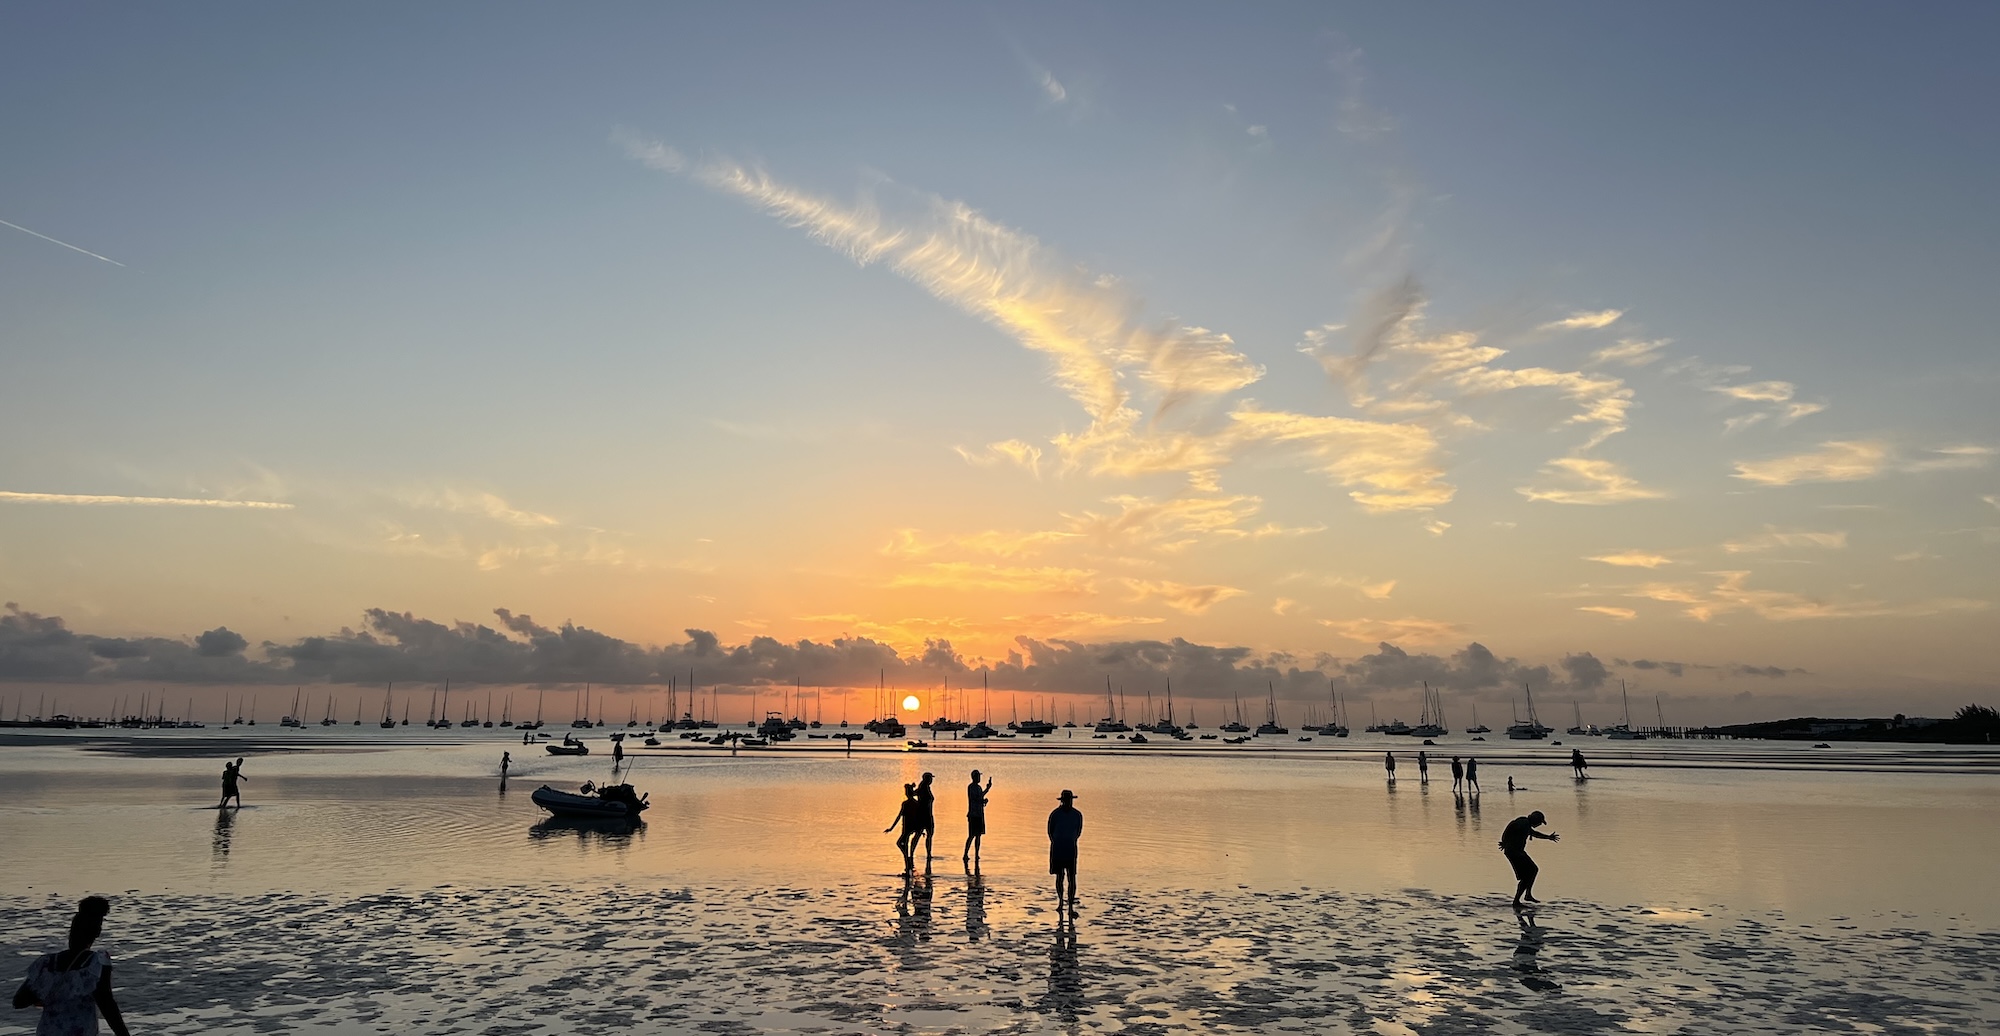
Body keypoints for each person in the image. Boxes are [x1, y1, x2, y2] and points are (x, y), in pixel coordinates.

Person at [12, 895, 132, 1036]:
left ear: (71, 930)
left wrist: (50, 994)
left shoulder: (46, 964)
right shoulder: (96, 963)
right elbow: (107, 1004)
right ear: (97, 932)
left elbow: (19, 1001)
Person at [1499, 810, 1560, 907]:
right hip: (1514, 852)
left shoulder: (1526, 824)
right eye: (1540, 822)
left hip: (1517, 852)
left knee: (1533, 870)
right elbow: (1511, 827)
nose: (1539, 824)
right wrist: (1505, 841)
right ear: (1535, 820)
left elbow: (1534, 834)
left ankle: (1527, 895)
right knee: (1527, 874)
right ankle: (1518, 901)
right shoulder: (1523, 823)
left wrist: (1548, 837)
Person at [1047, 790, 1084, 910]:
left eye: (1070, 800)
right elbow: (1050, 831)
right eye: (1067, 800)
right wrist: (1057, 841)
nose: (1069, 802)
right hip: (1058, 848)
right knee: (1059, 876)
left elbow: (1078, 831)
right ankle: (1061, 902)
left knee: (1072, 877)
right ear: (1062, 801)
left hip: (1071, 848)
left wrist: (1071, 840)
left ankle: (1071, 904)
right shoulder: (1055, 814)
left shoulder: (1077, 815)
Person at [884, 783, 920, 872]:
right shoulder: (916, 803)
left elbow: (899, 816)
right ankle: (908, 864)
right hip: (911, 827)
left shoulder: (906, 804)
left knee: (900, 843)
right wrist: (891, 828)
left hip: (907, 828)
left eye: (907, 792)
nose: (906, 793)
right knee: (903, 844)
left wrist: (891, 828)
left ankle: (908, 862)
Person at [963, 770, 993, 865]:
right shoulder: (971, 787)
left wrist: (985, 795)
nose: (979, 778)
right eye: (978, 776)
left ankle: (976, 854)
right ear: (974, 777)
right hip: (973, 815)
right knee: (971, 835)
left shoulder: (979, 787)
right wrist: (984, 794)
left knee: (978, 836)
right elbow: (975, 798)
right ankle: (965, 854)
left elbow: (979, 798)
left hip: (979, 814)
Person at [913, 773, 937, 865]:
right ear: (927, 779)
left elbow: (914, 793)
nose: (932, 780)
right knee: (920, 834)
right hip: (924, 816)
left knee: (928, 835)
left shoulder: (925, 787)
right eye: (930, 778)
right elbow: (913, 794)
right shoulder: (923, 787)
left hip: (928, 815)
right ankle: (912, 853)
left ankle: (928, 854)